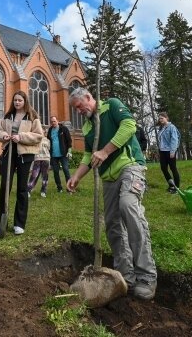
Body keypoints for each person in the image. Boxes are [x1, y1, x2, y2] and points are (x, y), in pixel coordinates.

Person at [66, 88, 157, 300]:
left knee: (128, 206)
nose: (78, 111)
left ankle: (147, 276)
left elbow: (129, 126)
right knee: (112, 224)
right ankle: (126, 277)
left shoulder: (112, 105)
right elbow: (89, 155)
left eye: (80, 106)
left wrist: (105, 151)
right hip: (109, 178)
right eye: (75, 109)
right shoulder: (89, 126)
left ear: (89, 97)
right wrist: (77, 176)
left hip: (130, 167)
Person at [0, 91, 43, 237]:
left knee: (22, 188)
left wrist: (20, 137)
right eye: (15, 100)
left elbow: (38, 135)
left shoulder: (32, 117)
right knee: (4, 187)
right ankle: (0, 224)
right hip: (9, 152)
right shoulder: (8, 116)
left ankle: (19, 224)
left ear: (24, 101)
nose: (17, 102)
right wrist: (4, 136)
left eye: (20, 100)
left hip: (24, 154)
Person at [47, 115, 73, 193]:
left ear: (57, 121)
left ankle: (69, 188)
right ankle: (59, 188)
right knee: (55, 171)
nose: (53, 123)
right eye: (51, 122)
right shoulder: (50, 130)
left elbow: (69, 140)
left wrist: (69, 151)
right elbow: (48, 141)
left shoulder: (63, 129)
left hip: (63, 154)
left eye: (54, 121)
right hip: (54, 155)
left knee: (66, 170)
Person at [157, 112, 181, 194]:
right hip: (162, 151)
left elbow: (174, 139)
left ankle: (177, 188)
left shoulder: (171, 127)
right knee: (163, 168)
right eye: (159, 119)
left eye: (162, 118)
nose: (160, 120)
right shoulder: (161, 128)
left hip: (170, 151)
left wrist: (173, 151)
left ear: (166, 118)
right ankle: (171, 185)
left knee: (173, 168)